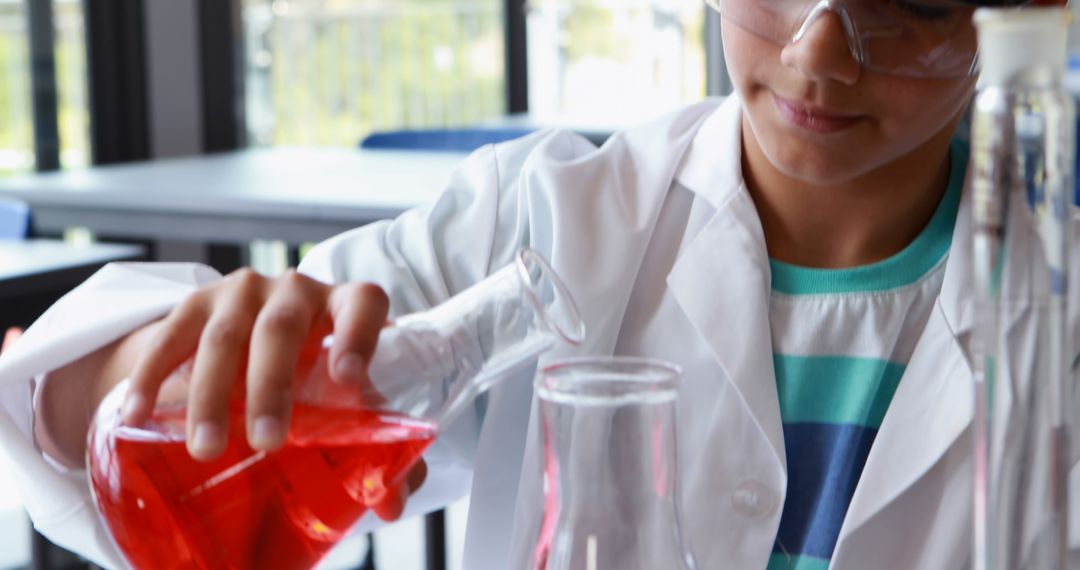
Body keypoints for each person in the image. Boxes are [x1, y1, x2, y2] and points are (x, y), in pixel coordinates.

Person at [0, 0, 1074, 568]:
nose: (822, 46)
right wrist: (153, 376)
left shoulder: (1056, 315)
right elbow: (53, 421)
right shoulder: (552, 217)